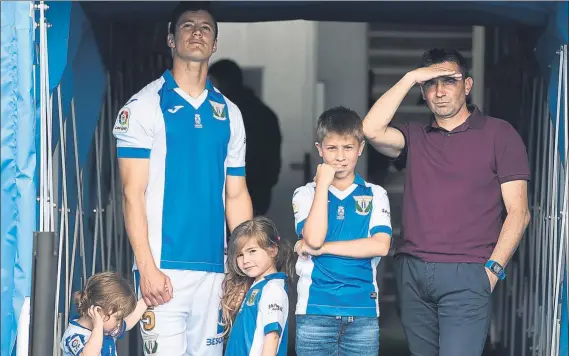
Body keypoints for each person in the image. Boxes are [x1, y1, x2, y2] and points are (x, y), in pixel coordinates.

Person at [362, 48, 531, 356]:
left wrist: (492, 270)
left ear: (467, 85)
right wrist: (410, 77)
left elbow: (519, 212)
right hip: (412, 271)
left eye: (448, 81)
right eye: (430, 84)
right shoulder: (414, 136)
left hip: (468, 272)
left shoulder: (499, 134)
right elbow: (370, 129)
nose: (439, 92)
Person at [112, 2, 253, 355]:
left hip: (215, 270)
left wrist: (247, 267)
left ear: (215, 43)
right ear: (171, 39)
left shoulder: (230, 114)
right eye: (188, 26)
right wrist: (145, 267)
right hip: (163, 270)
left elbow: (236, 195)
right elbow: (132, 193)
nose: (197, 32)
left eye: (206, 28)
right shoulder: (143, 105)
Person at [292, 106, 393, 356]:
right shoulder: (305, 194)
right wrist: (323, 185)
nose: (340, 157)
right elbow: (313, 237)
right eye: (332, 148)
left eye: (348, 148)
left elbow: (380, 245)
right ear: (319, 150)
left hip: (362, 311)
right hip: (315, 311)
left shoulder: (375, 194)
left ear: (360, 149)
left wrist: (323, 249)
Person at [209, 59, 282, 215]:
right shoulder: (265, 113)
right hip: (258, 196)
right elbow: (273, 163)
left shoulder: (226, 113)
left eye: (212, 83)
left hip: (230, 195)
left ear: (224, 83)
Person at [221, 216, 294, 356]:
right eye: (240, 255)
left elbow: (272, 336)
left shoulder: (273, 289)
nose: (245, 260)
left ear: (273, 250)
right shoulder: (259, 285)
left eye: (252, 251)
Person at [60, 272, 147, 356]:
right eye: (117, 318)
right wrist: (97, 327)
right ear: (98, 312)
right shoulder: (74, 335)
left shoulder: (107, 328)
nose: (119, 323)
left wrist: (147, 300)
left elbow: (128, 322)